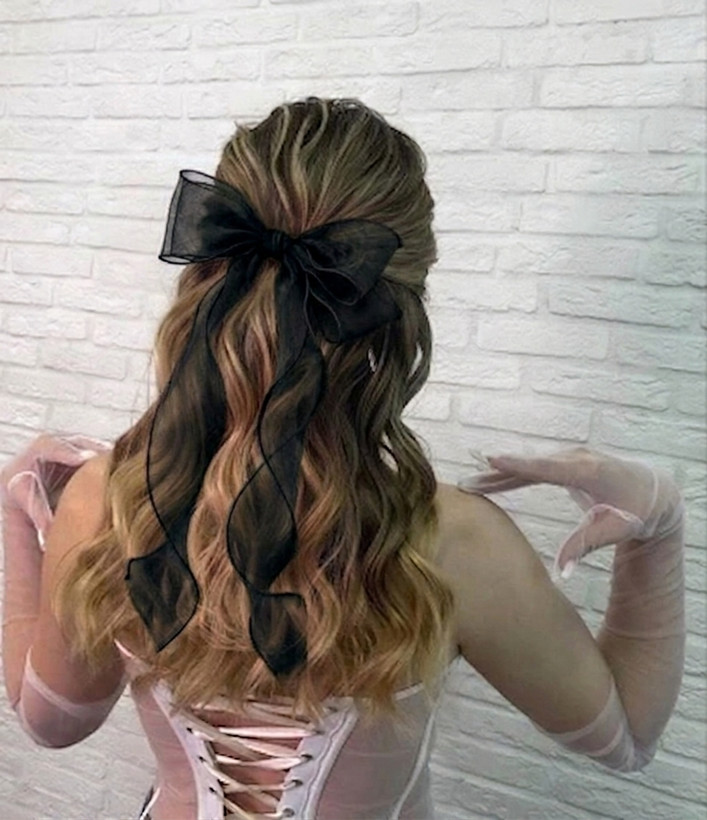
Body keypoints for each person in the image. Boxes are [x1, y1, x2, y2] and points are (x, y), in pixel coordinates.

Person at [0, 97, 686, 820]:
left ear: (206, 269)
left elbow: (51, 725)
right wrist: (659, 522)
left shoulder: (110, 501)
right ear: (401, 308)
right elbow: (627, 738)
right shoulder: (455, 542)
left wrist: (17, 510)